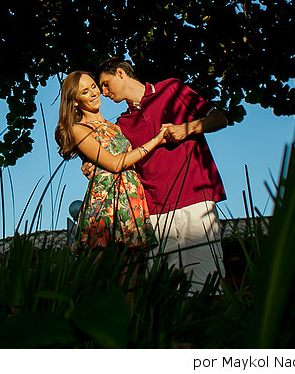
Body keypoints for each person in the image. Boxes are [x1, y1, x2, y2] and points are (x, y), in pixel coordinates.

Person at [91, 58, 229, 293]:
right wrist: (93, 166)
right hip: (153, 210)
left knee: (207, 280)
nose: (103, 93)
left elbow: (219, 119)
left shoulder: (172, 89)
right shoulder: (123, 124)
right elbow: (120, 162)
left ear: (121, 73)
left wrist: (185, 129)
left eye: (105, 84)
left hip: (194, 199)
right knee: (164, 288)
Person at [54, 71, 170, 252]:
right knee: (104, 271)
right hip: (106, 203)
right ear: (75, 101)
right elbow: (115, 164)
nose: (93, 93)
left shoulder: (117, 127)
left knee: (132, 271)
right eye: (85, 92)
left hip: (131, 199)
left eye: (94, 86)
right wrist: (156, 140)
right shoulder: (80, 129)